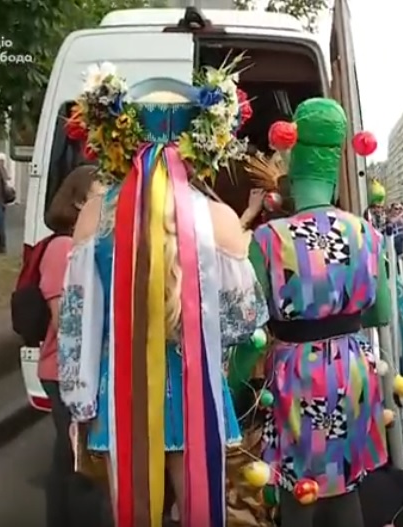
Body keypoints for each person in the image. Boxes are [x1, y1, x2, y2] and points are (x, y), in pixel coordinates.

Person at [58, 68, 269, 526]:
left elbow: (76, 322)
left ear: (121, 138)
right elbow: (244, 321)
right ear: (200, 143)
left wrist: (81, 402)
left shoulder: (95, 214)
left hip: (121, 400)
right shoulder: (220, 218)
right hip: (198, 396)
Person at [251, 99, 391, 527]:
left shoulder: (268, 238)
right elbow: (379, 313)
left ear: (291, 166)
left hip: (297, 373)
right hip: (352, 368)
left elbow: (251, 324)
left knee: (300, 490)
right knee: (345, 484)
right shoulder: (366, 233)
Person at [40, 165, 105, 527]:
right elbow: (63, 319)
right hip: (64, 369)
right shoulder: (63, 247)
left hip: (75, 368)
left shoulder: (82, 244)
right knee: (77, 458)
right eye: (100, 194)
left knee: (67, 457)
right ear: (79, 201)